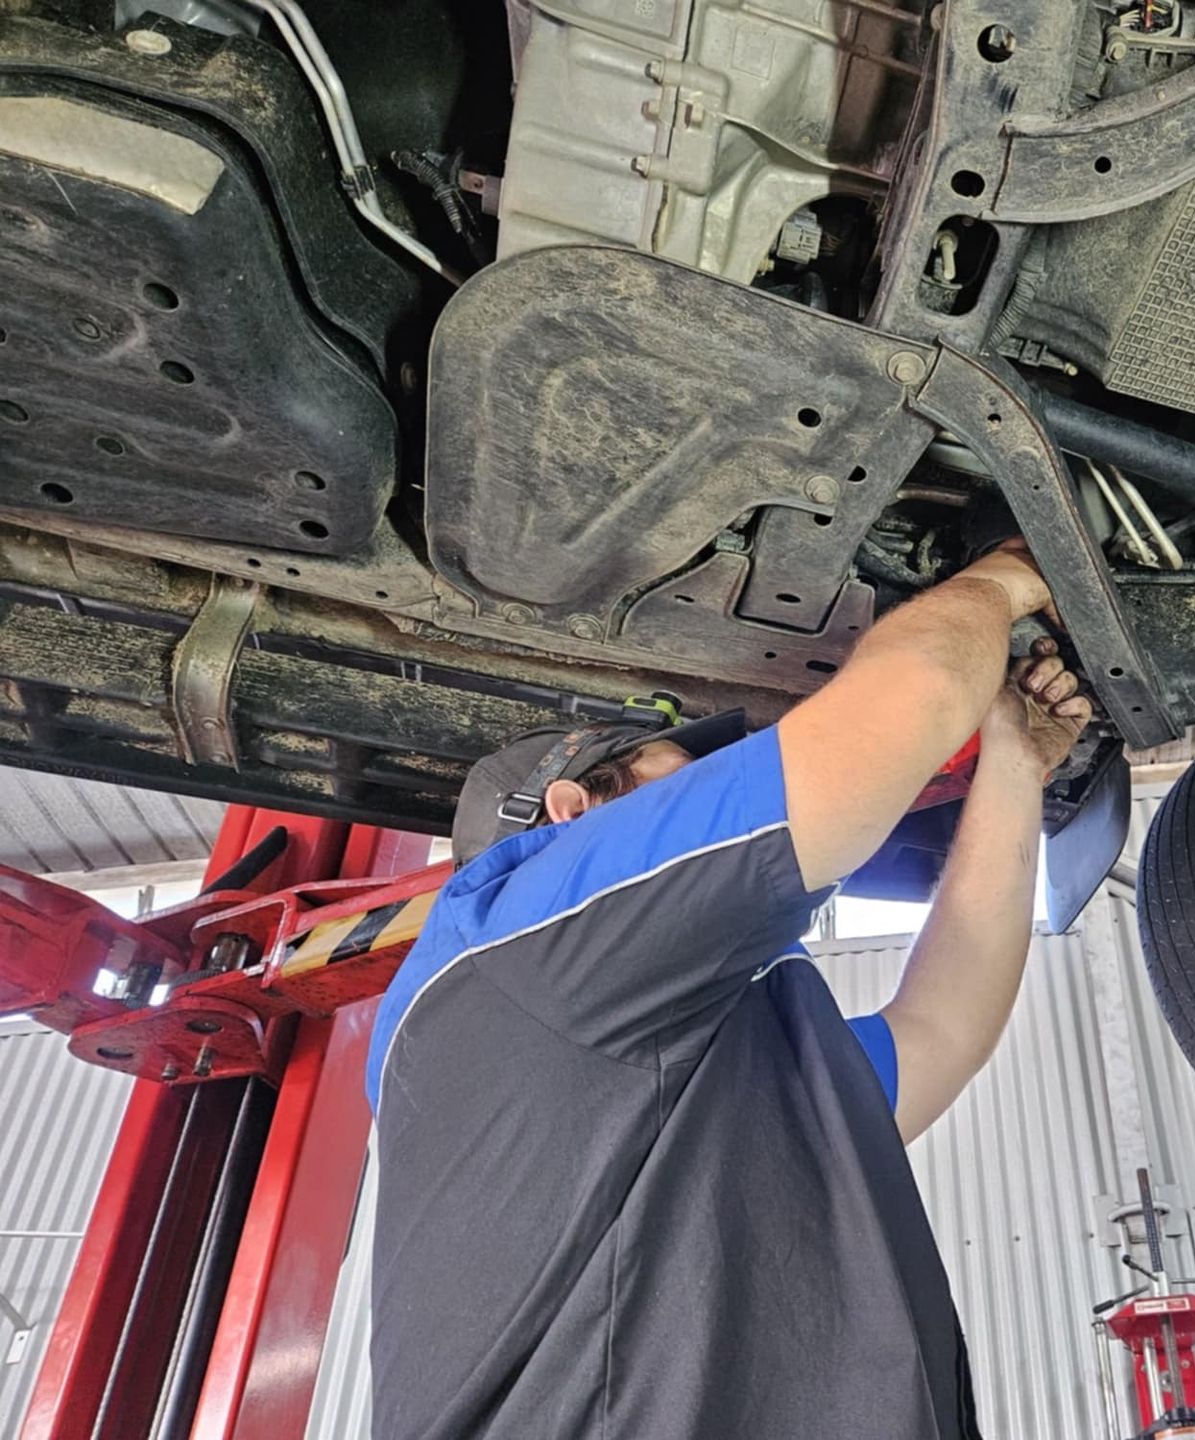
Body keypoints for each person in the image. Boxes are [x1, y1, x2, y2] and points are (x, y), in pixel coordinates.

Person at [363, 543, 1091, 1438]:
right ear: (574, 811)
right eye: (683, 778)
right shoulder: (518, 939)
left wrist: (1015, 763)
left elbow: (943, 1028)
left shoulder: (671, 1048)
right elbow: (910, 703)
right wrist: (1007, 574)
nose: (716, 797)